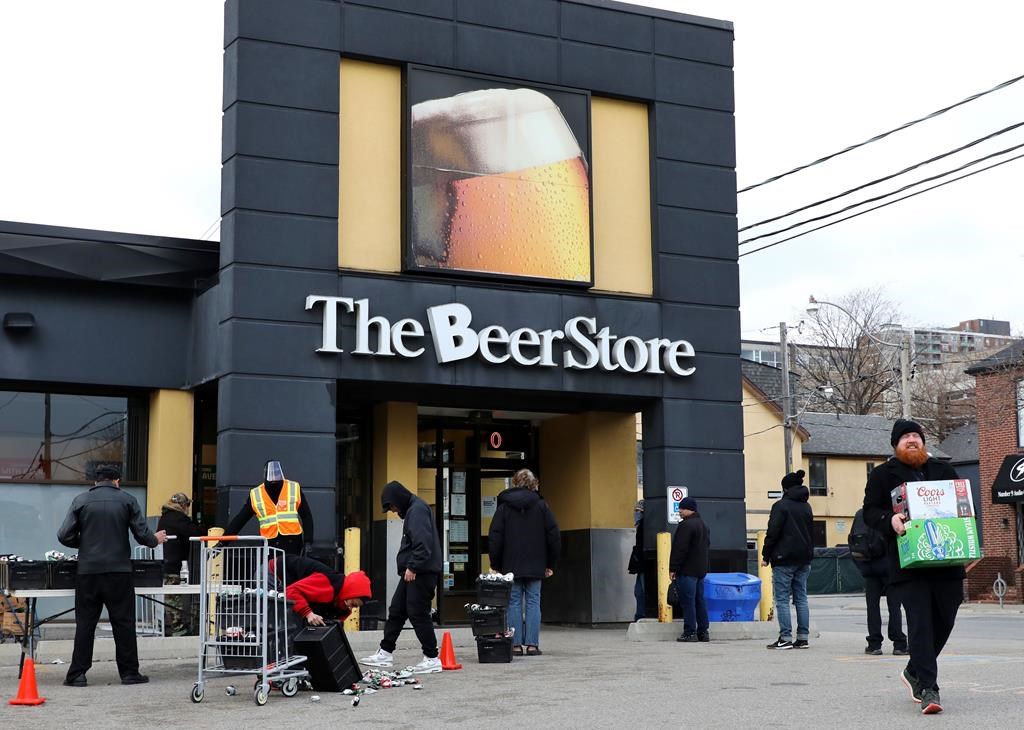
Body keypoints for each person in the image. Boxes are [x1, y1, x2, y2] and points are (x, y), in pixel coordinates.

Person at [864, 419, 962, 715]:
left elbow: (962, 507)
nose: (911, 441)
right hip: (909, 564)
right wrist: (889, 521)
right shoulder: (883, 475)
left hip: (947, 560)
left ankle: (913, 669)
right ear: (895, 445)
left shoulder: (944, 471)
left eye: (916, 436)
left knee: (944, 620)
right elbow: (870, 511)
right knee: (920, 623)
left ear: (923, 442)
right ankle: (929, 687)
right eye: (905, 437)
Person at [56, 465, 168, 687]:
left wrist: (84, 543)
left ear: (95, 482)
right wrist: (156, 539)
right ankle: (129, 673)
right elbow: (142, 535)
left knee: (86, 623)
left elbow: (63, 535)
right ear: (117, 481)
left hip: (88, 571)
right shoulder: (128, 500)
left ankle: (77, 674)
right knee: (123, 622)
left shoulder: (81, 501)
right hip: (119, 571)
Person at [361, 480, 443, 673]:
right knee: (397, 609)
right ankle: (385, 652)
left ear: (398, 499)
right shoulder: (415, 509)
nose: (393, 510)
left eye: (392, 506)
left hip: (420, 572)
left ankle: (432, 657)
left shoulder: (417, 511)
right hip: (414, 571)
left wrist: (413, 566)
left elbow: (423, 543)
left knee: (418, 612)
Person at [488, 468, 561, 656]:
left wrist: (495, 564)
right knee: (533, 602)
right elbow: (553, 535)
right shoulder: (542, 506)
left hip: (511, 563)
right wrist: (550, 563)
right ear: (533, 483)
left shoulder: (504, 507)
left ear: (514, 482)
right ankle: (532, 645)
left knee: (513, 602)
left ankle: (515, 645)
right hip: (537, 563)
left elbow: (495, 536)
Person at [762, 469, 814, 650]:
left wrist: (765, 555)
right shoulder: (807, 506)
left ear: (785, 489)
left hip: (784, 558)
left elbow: (773, 532)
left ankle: (785, 637)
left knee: (782, 599)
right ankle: (803, 638)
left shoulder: (781, 506)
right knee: (801, 598)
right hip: (804, 558)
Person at [849, 507, 907, 656]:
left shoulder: (861, 513)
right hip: (889, 566)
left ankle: (874, 644)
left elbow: (852, 539)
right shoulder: (890, 514)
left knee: (872, 606)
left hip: (869, 567)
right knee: (894, 606)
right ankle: (899, 644)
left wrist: (862, 565)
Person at [224, 460, 314, 555]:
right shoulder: (256, 494)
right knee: (271, 569)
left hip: (293, 543)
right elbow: (240, 520)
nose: (274, 477)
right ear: (265, 474)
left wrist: (308, 541)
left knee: (291, 569)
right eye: (271, 473)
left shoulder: (293, 488)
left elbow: (306, 516)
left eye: (277, 473)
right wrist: (223, 542)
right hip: (270, 544)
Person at [271, 554, 371, 626]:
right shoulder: (328, 583)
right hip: (274, 573)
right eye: (353, 604)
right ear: (350, 593)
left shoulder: (341, 603)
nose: (351, 608)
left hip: (286, 578)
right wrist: (308, 614)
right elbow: (291, 592)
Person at [156, 492, 202, 636]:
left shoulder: (165, 516)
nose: (188, 508)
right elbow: (194, 531)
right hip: (173, 564)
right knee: (174, 598)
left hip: (165, 561)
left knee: (168, 596)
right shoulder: (179, 518)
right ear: (182, 505)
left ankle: (165, 625)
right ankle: (177, 629)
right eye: (188, 505)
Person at [669, 497, 710, 643]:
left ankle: (690, 632)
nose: (679, 511)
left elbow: (680, 549)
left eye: (682, 508)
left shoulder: (686, 526)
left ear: (689, 509)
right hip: (700, 571)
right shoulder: (703, 525)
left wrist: (673, 568)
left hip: (687, 570)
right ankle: (703, 632)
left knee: (688, 602)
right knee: (700, 601)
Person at [628, 499, 646, 622]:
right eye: (636, 510)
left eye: (639, 511)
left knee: (640, 591)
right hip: (641, 564)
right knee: (638, 591)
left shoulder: (644, 526)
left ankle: (641, 616)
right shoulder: (641, 526)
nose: (636, 513)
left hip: (643, 564)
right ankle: (639, 615)